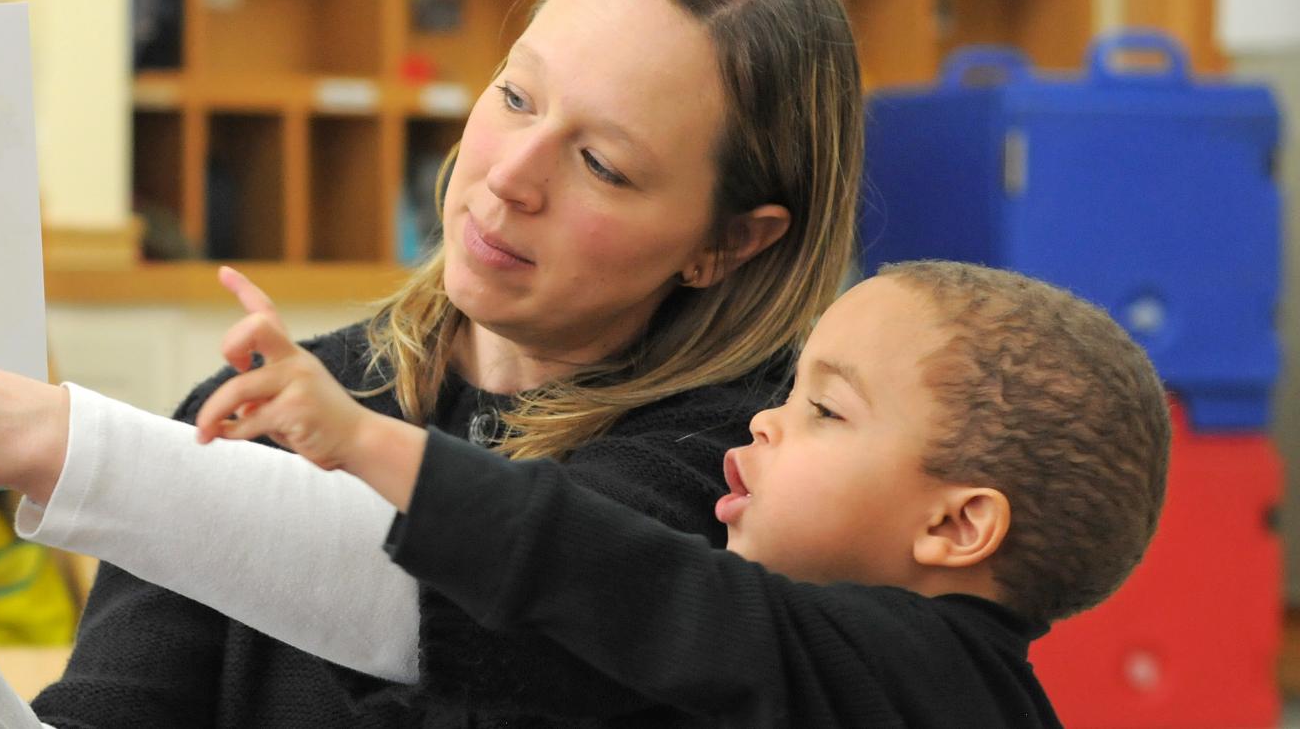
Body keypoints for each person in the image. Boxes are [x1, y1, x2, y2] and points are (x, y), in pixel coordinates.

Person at [0, 0, 865, 723]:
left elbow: (471, 589)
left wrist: (42, 436)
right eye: (514, 94)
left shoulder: (755, 473)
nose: (507, 174)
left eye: (604, 162)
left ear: (734, 240)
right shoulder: (259, 411)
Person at [195, 259, 1171, 727]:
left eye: (826, 411)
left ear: (957, 525)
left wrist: (366, 442)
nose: (765, 422)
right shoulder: (813, 672)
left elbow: (620, 579)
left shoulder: (933, 680)